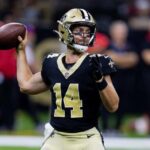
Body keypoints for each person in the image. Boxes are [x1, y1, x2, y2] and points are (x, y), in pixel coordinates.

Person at [16, 8, 119, 150]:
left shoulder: (98, 62)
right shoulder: (52, 63)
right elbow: (26, 85)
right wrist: (21, 51)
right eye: (79, 30)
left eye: (87, 31)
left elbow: (113, 106)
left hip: (87, 138)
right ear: (65, 30)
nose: (84, 35)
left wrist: (100, 80)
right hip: (57, 138)